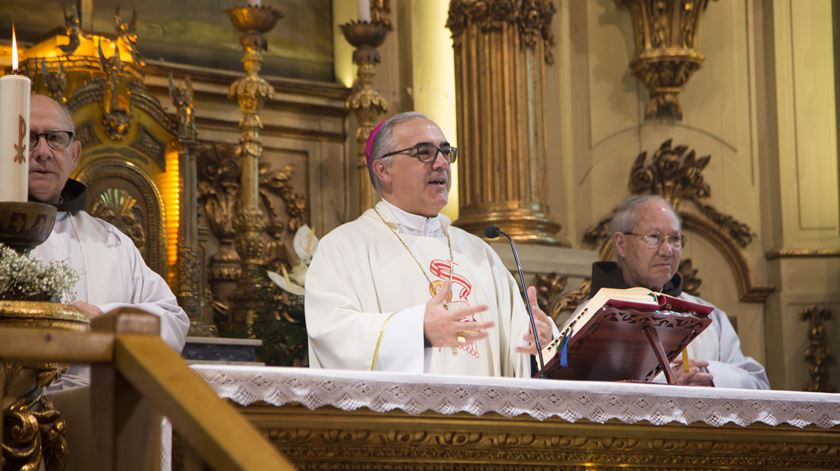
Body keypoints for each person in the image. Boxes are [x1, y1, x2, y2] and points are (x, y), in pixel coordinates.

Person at [305, 112, 556, 377]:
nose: (441, 163)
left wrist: (539, 338)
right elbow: (333, 335)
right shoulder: (343, 247)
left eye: (446, 152)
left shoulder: (479, 254)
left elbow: (517, 351)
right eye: (423, 152)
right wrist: (417, 329)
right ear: (383, 170)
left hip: (482, 417)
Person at [27, 94, 189, 470]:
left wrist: (104, 321)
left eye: (55, 138)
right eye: (29, 138)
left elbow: (174, 320)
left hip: (106, 421)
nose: (43, 151)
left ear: (75, 154)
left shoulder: (111, 241)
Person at [574, 194, 769, 389]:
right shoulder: (590, 318)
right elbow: (577, 392)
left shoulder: (709, 316)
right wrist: (667, 383)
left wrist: (707, 375)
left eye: (675, 239)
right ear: (621, 244)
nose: (667, 250)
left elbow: (759, 385)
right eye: (654, 237)